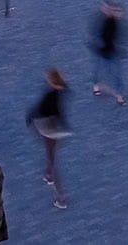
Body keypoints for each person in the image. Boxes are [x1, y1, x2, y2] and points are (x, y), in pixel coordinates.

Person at [30, 68, 72, 210]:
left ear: (51, 81)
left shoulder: (50, 96)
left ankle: (61, 197)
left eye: (48, 79)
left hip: (49, 129)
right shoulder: (61, 90)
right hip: (56, 128)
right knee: (50, 154)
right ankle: (48, 174)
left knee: (52, 160)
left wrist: (30, 118)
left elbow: (41, 110)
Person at [90, 0, 127, 104]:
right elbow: (96, 34)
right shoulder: (102, 21)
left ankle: (119, 96)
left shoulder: (116, 22)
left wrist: (119, 46)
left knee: (116, 75)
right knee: (98, 71)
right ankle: (96, 85)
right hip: (102, 51)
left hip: (112, 52)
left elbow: (121, 36)